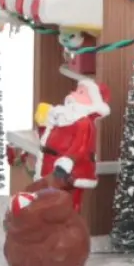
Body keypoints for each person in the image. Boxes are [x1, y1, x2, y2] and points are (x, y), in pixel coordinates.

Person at [37, 79, 111, 211]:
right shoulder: (63, 118)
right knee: (47, 202)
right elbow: (48, 138)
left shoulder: (84, 123)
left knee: (66, 204)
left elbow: (80, 147)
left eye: (81, 92)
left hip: (67, 171)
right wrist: (44, 123)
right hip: (49, 165)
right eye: (77, 90)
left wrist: (64, 165)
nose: (73, 93)